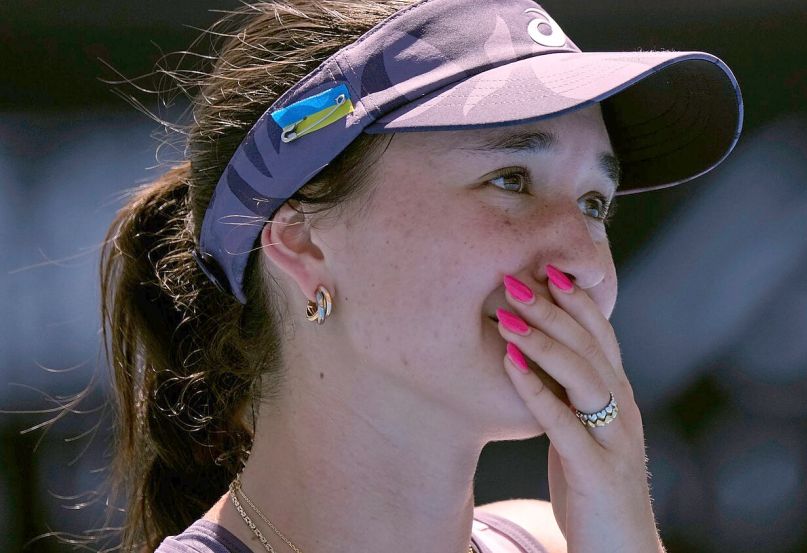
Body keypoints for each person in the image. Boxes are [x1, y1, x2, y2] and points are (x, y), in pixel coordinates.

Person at [98, 0, 742, 551]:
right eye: (510, 180)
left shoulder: (557, 539)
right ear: (302, 238)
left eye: (594, 204)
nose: (587, 265)